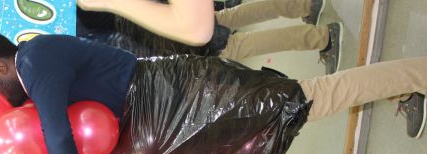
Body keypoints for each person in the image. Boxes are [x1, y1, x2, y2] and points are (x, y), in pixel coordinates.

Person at [0, 32, 427, 154]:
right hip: (174, 110)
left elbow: (56, 133)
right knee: (302, 102)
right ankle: (401, 88)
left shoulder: (34, 61)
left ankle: (415, 75)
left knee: (307, 98)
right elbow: (28, 139)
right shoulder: (29, 90)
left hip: (183, 97)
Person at [78, 0, 343, 74]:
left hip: (167, 38)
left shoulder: (71, 25)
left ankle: (323, 38)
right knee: (232, 18)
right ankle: (304, 4)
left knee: (238, 44)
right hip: (164, 17)